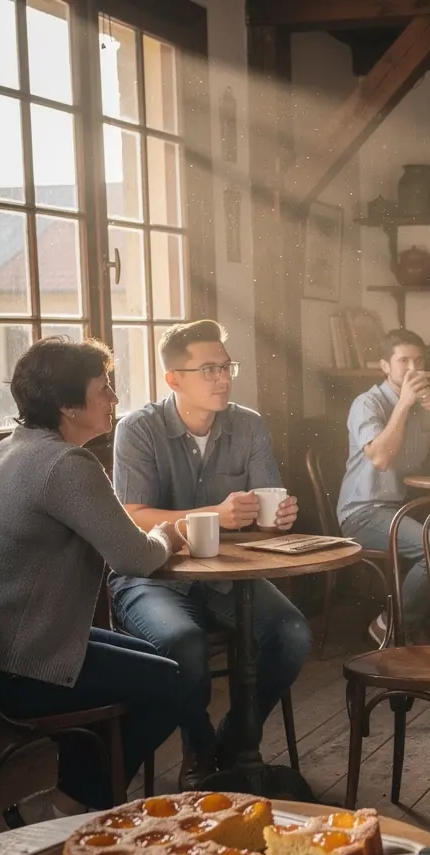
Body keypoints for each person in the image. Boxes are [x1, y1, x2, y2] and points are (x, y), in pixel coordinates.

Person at [0, 336, 193, 824]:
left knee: (158, 664)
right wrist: (170, 534)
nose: (114, 398)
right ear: (69, 406)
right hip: (22, 666)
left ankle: (67, 803)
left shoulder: (7, 449)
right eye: (104, 388)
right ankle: (63, 809)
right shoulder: (66, 465)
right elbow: (136, 557)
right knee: (172, 685)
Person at [111, 319, 312, 791]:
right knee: (184, 645)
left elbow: (263, 508)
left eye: (226, 367)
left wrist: (278, 515)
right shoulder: (138, 430)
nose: (223, 378)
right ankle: (200, 749)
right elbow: (133, 515)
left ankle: (236, 739)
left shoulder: (248, 424)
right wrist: (214, 515)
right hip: (152, 575)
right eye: (208, 369)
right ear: (173, 379)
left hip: (225, 574)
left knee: (293, 634)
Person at [337, 328, 430, 644]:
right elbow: (380, 458)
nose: (413, 368)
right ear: (385, 366)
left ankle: (427, 621)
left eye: (419, 360)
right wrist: (403, 405)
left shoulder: (425, 401)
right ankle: (393, 625)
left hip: (405, 507)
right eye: (403, 360)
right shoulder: (367, 403)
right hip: (363, 511)